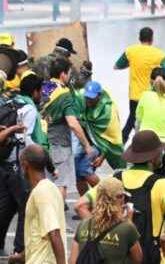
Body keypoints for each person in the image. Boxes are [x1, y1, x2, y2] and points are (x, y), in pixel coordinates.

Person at [74, 130, 165, 264]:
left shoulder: (114, 180)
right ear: (152, 158)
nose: (162, 154)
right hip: (150, 256)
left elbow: (80, 205)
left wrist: (103, 231)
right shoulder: (161, 184)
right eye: (160, 151)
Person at [0, 72, 50, 260]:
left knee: (7, 206)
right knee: (25, 208)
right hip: (18, 165)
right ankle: (19, 250)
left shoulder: (10, 102)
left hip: (4, 163)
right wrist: (38, 161)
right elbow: (25, 137)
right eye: (40, 92)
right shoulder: (29, 108)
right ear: (35, 92)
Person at [42, 58, 96, 202]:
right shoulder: (64, 95)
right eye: (69, 73)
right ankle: (58, 220)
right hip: (59, 145)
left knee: (47, 186)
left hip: (42, 143)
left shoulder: (45, 87)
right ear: (63, 74)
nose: (70, 76)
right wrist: (87, 145)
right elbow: (72, 123)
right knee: (61, 184)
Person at [115, 27, 165, 142]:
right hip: (153, 96)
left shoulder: (130, 51)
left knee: (133, 120)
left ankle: (123, 145)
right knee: (150, 122)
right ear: (152, 39)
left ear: (139, 38)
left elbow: (116, 66)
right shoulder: (159, 54)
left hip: (135, 97)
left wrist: (131, 63)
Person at [10, 145, 66, 264]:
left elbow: (54, 233)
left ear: (25, 165)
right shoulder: (51, 188)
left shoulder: (42, 192)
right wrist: (20, 257)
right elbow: (39, 236)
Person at [70, 177, 143, 264]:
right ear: (120, 198)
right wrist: (129, 220)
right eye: (125, 198)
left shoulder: (84, 224)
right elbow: (138, 259)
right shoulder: (127, 228)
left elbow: (72, 261)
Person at [75, 81, 126, 193]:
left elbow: (112, 136)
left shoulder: (108, 110)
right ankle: (89, 203)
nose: (89, 100)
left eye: (92, 98)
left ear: (99, 95)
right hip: (85, 141)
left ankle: (107, 195)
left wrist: (102, 156)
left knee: (83, 169)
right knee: (78, 173)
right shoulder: (82, 100)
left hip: (100, 145)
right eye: (87, 97)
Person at [135, 67, 165, 183]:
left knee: (146, 184)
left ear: (150, 81)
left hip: (147, 146)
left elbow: (139, 119)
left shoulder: (145, 96)